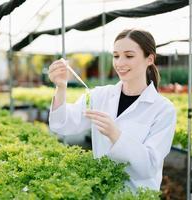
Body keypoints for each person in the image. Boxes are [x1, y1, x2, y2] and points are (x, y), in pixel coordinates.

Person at [47, 29, 177, 191]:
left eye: (129, 56)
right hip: (102, 191)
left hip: (137, 194)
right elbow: (62, 125)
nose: (120, 63)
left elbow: (150, 166)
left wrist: (115, 134)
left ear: (149, 59)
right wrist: (61, 87)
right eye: (116, 56)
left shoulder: (163, 109)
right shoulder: (99, 96)